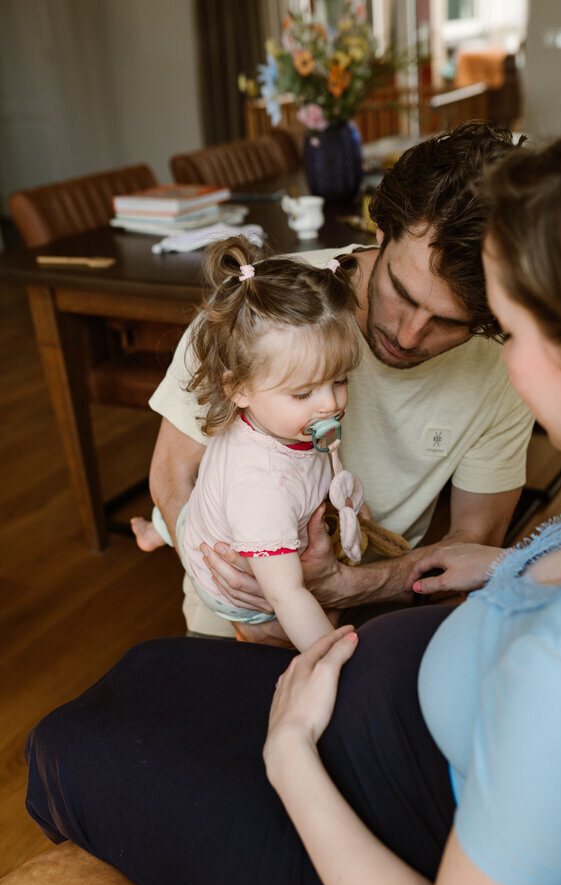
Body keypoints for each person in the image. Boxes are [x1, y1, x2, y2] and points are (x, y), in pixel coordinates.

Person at [25, 105, 561, 885]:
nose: (483, 349)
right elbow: (179, 475)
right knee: (143, 677)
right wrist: (509, 566)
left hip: (372, 839)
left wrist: (292, 754)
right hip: (376, 705)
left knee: (63, 745)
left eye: (497, 326)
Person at [148, 122, 534, 639]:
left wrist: (342, 587)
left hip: (380, 601)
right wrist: (240, 592)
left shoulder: (510, 365)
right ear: (381, 233)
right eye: (402, 291)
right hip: (239, 597)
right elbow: (173, 476)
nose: (410, 333)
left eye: (451, 322)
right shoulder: (261, 311)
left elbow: (474, 544)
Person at [131, 237, 365, 651]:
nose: (329, 403)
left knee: (195, 508)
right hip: (241, 596)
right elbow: (286, 595)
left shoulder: (277, 418)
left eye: (340, 380)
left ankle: (158, 528)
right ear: (239, 388)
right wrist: (331, 654)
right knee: (291, 601)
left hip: (218, 508)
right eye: (303, 393)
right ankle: (163, 529)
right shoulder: (263, 491)